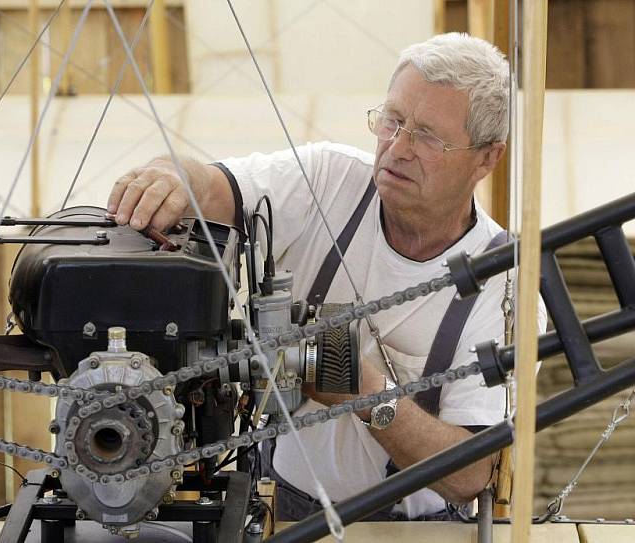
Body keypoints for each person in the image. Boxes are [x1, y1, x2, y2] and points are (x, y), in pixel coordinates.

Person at [106, 32, 547, 520]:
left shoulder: (504, 285)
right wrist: (169, 174)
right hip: (285, 503)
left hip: (417, 529)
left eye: (427, 136)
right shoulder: (327, 180)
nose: (397, 148)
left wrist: (360, 390)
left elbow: (470, 476)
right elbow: (211, 185)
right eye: (392, 121)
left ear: (487, 157)